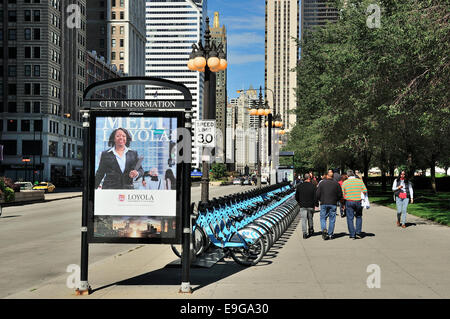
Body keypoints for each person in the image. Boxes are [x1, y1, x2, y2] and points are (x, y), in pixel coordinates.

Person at [316, 169, 343, 240]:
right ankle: (330, 234)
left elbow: (317, 194)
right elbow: (340, 194)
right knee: (332, 219)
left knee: (323, 218)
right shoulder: (336, 184)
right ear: (333, 176)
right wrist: (336, 200)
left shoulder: (322, 183)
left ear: (327, 175)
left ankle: (324, 229)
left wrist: (320, 199)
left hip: (324, 202)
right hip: (333, 203)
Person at [341, 170, 368, 239]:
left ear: (347, 176)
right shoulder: (359, 181)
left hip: (349, 201)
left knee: (350, 218)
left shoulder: (345, 183)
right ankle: (358, 232)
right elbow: (365, 190)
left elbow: (342, 194)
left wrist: (343, 203)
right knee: (359, 216)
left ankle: (352, 233)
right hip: (358, 201)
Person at [295, 173, 318, 239]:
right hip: (310, 205)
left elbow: (296, 196)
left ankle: (304, 233)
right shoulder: (313, 186)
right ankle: (311, 229)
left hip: (302, 205)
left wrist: (299, 202)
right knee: (310, 218)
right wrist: (316, 204)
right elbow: (315, 197)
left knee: (303, 219)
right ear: (309, 178)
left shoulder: (299, 186)